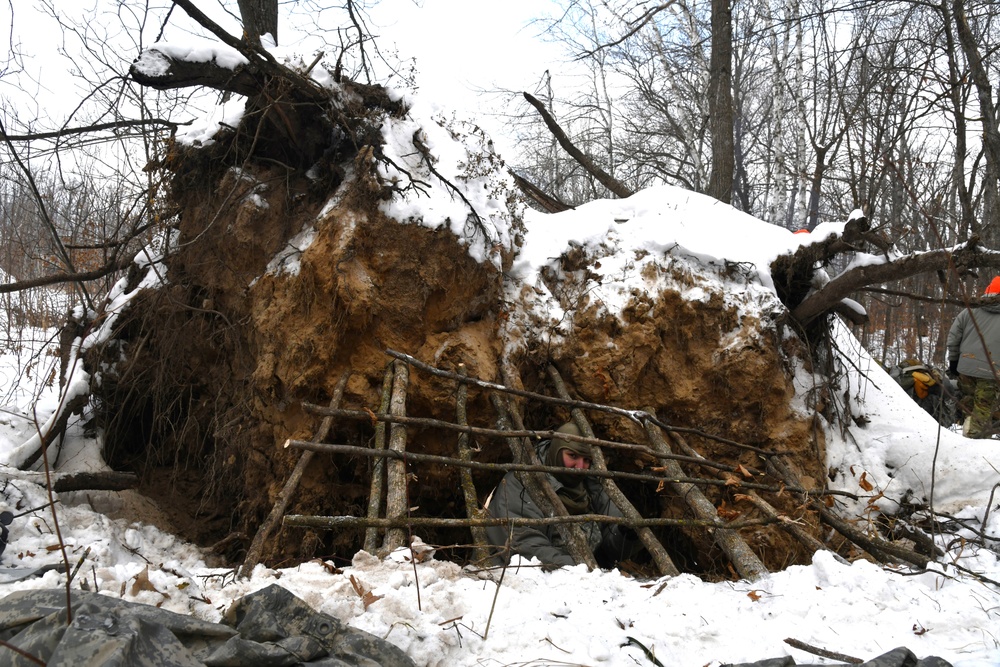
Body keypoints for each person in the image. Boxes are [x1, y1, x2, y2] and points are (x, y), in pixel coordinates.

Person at [484, 422, 632, 568]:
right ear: (556, 451)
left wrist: (626, 536)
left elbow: (611, 550)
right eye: (572, 456)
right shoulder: (522, 482)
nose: (580, 467)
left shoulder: (592, 485)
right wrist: (583, 569)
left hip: (578, 577)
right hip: (514, 579)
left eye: (586, 460)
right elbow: (524, 545)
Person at [947, 276, 1000, 438]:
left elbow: (953, 338)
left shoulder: (968, 312)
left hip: (966, 369)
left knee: (968, 406)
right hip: (992, 371)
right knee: (982, 415)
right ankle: (974, 447)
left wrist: (954, 362)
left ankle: (962, 438)